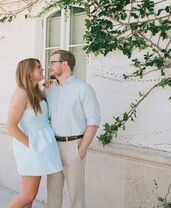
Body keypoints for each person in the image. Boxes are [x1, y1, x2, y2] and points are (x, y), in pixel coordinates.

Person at [45, 50, 101, 208]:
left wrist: (81, 150)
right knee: (53, 193)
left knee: (76, 195)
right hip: (53, 146)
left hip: (74, 146)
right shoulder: (49, 89)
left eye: (53, 62)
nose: (49, 66)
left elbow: (93, 121)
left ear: (64, 64)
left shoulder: (84, 89)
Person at [6, 58, 63, 208]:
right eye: (38, 67)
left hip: (42, 145)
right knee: (28, 194)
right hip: (31, 146)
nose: (42, 69)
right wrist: (31, 145)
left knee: (30, 197)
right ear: (29, 73)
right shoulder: (21, 93)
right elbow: (11, 126)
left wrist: (48, 86)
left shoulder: (36, 90)